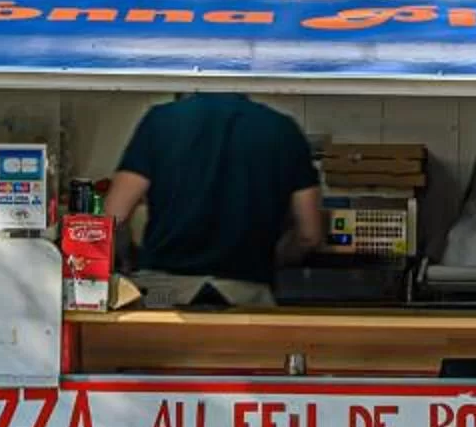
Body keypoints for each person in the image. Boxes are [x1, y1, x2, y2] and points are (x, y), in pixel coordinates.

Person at [103, 92, 326, 307]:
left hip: (164, 293)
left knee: (151, 337)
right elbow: (309, 235)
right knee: (250, 343)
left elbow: (114, 219)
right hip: (247, 295)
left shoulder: (160, 120)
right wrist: (273, 258)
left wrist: (127, 261)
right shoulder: (283, 129)